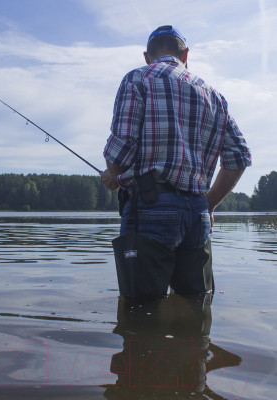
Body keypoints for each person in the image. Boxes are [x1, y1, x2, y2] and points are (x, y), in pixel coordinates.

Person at [101, 25, 251, 299]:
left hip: (149, 209)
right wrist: (209, 204)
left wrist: (113, 174)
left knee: (140, 312)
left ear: (147, 56)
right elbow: (238, 156)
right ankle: (195, 340)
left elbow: (120, 157)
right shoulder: (214, 95)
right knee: (195, 306)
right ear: (186, 55)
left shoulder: (137, 79)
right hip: (197, 214)